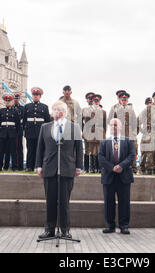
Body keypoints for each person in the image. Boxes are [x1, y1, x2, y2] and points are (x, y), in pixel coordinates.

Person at [36, 101, 83, 239]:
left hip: (67, 169)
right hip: (49, 168)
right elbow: (40, 148)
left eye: (59, 109)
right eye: (54, 109)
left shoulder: (74, 127)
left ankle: (65, 230)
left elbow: (79, 149)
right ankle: (49, 229)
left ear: (64, 112)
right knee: (50, 201)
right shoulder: (45, 127)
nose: (56, 112)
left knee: (64, 202)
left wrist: (79, 166)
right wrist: (39, 166)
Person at [98, 118, 135, 234]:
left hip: (124, 176)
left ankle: (124, 225)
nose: (113, 127)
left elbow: (131, 156)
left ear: (120, 127)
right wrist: (112, 167)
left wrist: (121, 166)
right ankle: (110, 225)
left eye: (115, 125)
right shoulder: (104, 142)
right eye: (111, 125)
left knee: (124, 201)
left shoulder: (128, 141)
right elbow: (101, 157)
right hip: (109, 176)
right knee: (109, 202)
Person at [108, 91, 138, 173]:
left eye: (125, 99)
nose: (124, 101)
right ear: (119, 100)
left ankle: (133, 168)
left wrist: (134, 132)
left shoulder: (130, 109)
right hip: (119, 132)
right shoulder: (114, 108)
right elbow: (109, 120)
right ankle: (119, 167)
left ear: (127, 100)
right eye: (122, 99)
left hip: (130, 132)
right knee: (119, 150)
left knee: (132, 149)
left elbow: (135, 122)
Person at [23, 87, 51, 172]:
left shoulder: (45, 107)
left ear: (40, 96)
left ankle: (39, 166)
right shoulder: (27, 106)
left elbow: (47, 121)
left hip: (40, 131)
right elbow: (24, 120)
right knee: (30, 149)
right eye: (34, 95)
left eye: (37, 95)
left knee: (40, 149)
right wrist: (25, 130)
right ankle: (29, 167)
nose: (35, 96)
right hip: (30, 131)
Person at [0, 94, 21, 171]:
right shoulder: (1, 111)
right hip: (3, 133)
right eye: (6, 101)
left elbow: (18, 124)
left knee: (13, 151)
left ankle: (14, 167)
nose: (7, 102)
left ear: (12, 101)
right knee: (1, 151)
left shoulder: (16, 111)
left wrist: (15, 133)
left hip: (12, 133)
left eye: (9, 101)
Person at [83, 94, 107, 173]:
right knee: (92, 151)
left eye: (98, 101)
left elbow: (104, 124)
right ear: (92, 102)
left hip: (100, 132)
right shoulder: (88, 111)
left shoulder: (103, 112)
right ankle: (92, 168)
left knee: (99, 151)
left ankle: (99, 168)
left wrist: (104, 133)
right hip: (91, 131)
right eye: (95, 101)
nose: (96, 102)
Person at [82, 92, 96, 173]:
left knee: (94, 150)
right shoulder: (84, 110)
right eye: (89, 99)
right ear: (87, 100)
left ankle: (93, 168)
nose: (90, 100)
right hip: (87, 132)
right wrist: (83, 131)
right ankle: (86, 168)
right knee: (87, 150)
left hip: (95, 132)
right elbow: (81, 121)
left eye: (91, 99)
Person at [13, 92, 25, 171]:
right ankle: (14, 166)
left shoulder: (23, 108)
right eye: (15, 98)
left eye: (17, 98)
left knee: (19, 148)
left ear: (19, 99)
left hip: (19, 129)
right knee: (12, 148)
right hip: (12, 129)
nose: (16, 100)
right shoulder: (11, 108)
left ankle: (20, 166)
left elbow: (24, 119)